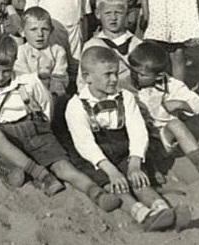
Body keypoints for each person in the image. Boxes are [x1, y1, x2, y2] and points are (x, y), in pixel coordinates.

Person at [0, 35, 121, 211]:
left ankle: (96, 193)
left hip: (33, 130)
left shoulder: (28, 81)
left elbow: (46, 105)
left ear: (14, 62)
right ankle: (42, 175)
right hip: (4, 137)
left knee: (63, 167)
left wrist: (42, 130)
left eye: (6, 70)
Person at [65, 47, 184, 230]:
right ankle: (141, 214)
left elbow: (137, 129)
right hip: (96, 159)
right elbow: (85, 144)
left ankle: (162, 209)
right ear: (88, 77)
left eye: (116, 73)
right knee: (117, 186)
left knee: (139, 180)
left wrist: (135, 163)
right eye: (107, 74)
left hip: (122, 151)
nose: (114, 79)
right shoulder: (76, 106)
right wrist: (112, 172)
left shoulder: (125, 97)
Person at [128, 42, 199, 183]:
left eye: (142, 74)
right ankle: (150, 169)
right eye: (133, 71)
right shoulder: (125, 85)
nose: (136, 76)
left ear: (159, 76)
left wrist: (181, 105)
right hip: (136, 143)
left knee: (176, 124)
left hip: (162, 139)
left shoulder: (172, 85)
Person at [80, 0, 142, 91]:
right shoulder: (92, 45)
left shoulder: (137, 45)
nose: (113, 18)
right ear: (98, 14)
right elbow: (83, 81)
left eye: (118, 13)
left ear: (126, 14)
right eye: (108, 13)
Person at [14, 7, 69, 97]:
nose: (40, 34)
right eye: (33, 29)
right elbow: (24, 77)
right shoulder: (21, 51)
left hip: (52, 94)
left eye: (45, 29)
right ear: (22, 32)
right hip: (29, 93)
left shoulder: (58, 51)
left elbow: (59, 77)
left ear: (51, 30)